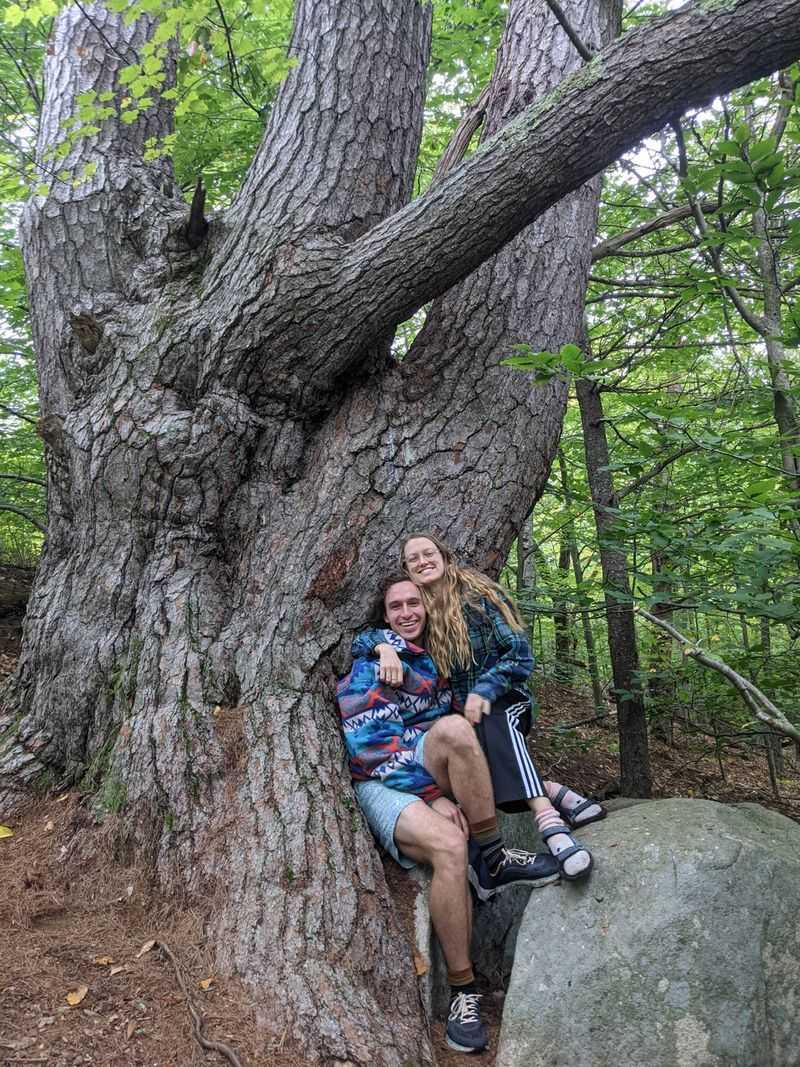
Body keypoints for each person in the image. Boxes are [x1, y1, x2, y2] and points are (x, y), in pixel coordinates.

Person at [337, 574, 560, 1054]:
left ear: (427, 606)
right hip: (382, 784)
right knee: (449, 846)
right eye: (395, 607)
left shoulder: (439, 659)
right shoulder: (370, 667)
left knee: (459, 728)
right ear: (385, 616)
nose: (406, 612)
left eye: (413, 602)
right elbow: (371, 750)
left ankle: (495, 858)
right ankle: (463, 991)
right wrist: (435, 796)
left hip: (423, 764)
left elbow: (491, 692)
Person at [355, 532, 605, 882]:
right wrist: (384, 648)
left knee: (495, 719)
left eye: (429, 553)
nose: (423, 561)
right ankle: (553, 791)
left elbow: (520, 654)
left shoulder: (478, 595)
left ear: (444, 557)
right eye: (414, 559)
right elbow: (364, 638)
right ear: (407, 571)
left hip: (507, 700)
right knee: (482, 781)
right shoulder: (422, 611)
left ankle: (551, 825)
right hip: (466, 719)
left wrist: (484, 691)